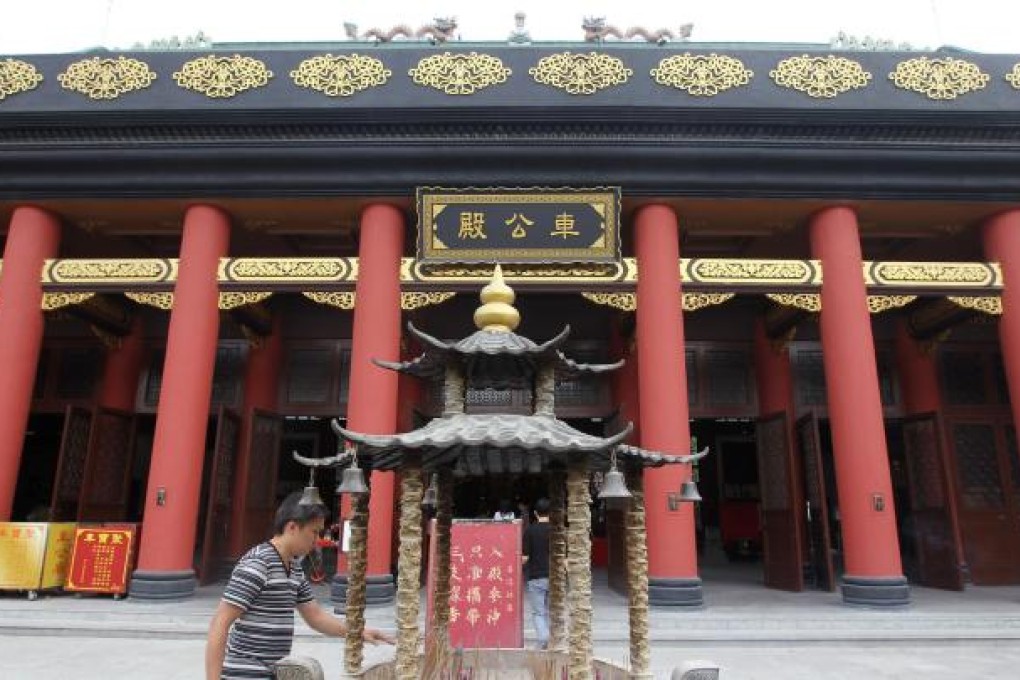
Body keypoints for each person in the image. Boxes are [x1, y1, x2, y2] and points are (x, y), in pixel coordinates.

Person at [205, 491, 394, 679]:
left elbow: (315, 616)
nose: (316, 539)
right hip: (244, 673)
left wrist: (358, 632)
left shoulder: (293, 567)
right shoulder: (258, 564)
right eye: (314, 532)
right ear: (292, 527)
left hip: (272, 671)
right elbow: (220, 624)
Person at [521, 497, 551, 650]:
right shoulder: (557, 530)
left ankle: (543, 638)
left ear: (535, 513)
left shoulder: (530, 531)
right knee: (552, 610)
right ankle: (552, 638)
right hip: (555, 577)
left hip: (536, 577)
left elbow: (525, 558)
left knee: (538, 612)